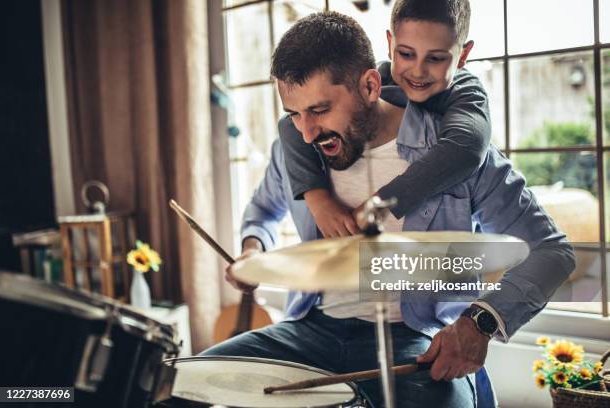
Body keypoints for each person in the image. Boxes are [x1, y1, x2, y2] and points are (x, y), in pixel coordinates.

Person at [204, 11, 575, 408]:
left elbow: (552, 251)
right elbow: (262, 211)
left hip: (414, 338)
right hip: (309, 330)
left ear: (369, 85)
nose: (306, 131)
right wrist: (251, 249)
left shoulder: (455, 153)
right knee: (176, 385)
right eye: (294, 114)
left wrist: (478, 323)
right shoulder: (298, 150)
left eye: (319, 110)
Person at [280, 0, 490, 239]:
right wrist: (318, 199)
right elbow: (287, 126)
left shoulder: (465, 90)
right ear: (391, 45)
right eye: (406, 53)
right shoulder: (376, 79)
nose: (418, 71)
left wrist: (380, 204)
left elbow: (466, 147)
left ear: (462, 56)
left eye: (436, 58)